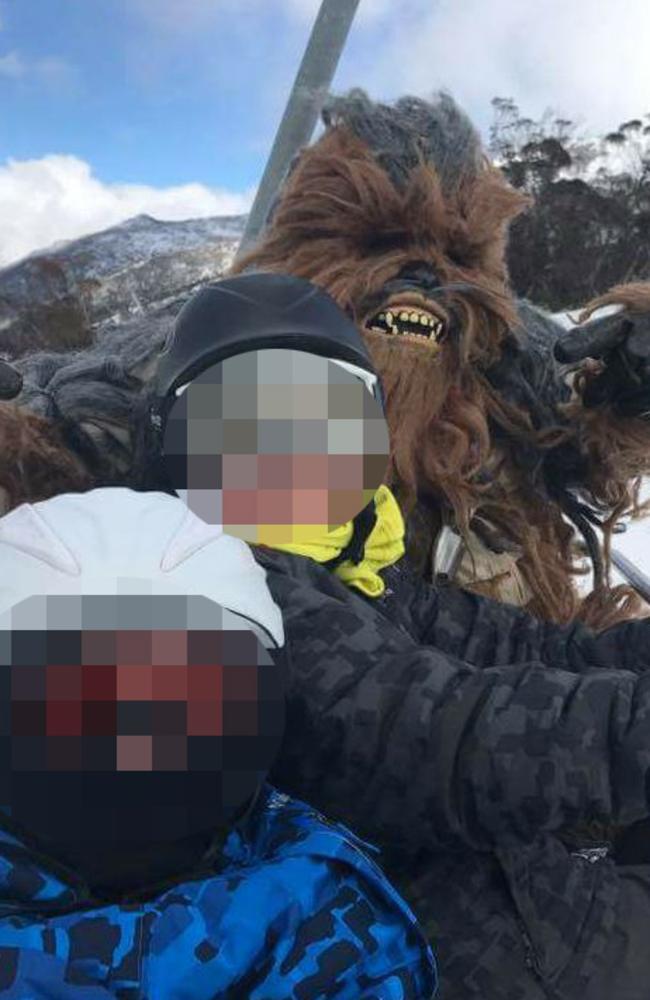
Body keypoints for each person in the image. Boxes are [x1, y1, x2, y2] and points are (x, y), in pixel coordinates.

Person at [0, 486, 436, 999]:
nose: (135, 752)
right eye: (76, 703)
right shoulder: (330, 904)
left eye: (182, 698)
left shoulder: (330, 905)